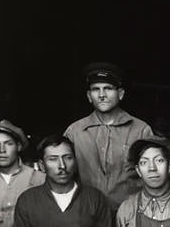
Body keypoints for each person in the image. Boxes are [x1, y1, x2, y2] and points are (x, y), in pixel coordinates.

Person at [65, 62, 154, 210]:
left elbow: (152, 177)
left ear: (120, 94)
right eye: (95, 89)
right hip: (86, 213)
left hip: (129, 214)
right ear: (88, 96)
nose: (101, 95)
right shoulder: (74, 132)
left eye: (108, 88)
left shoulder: (140, 130)